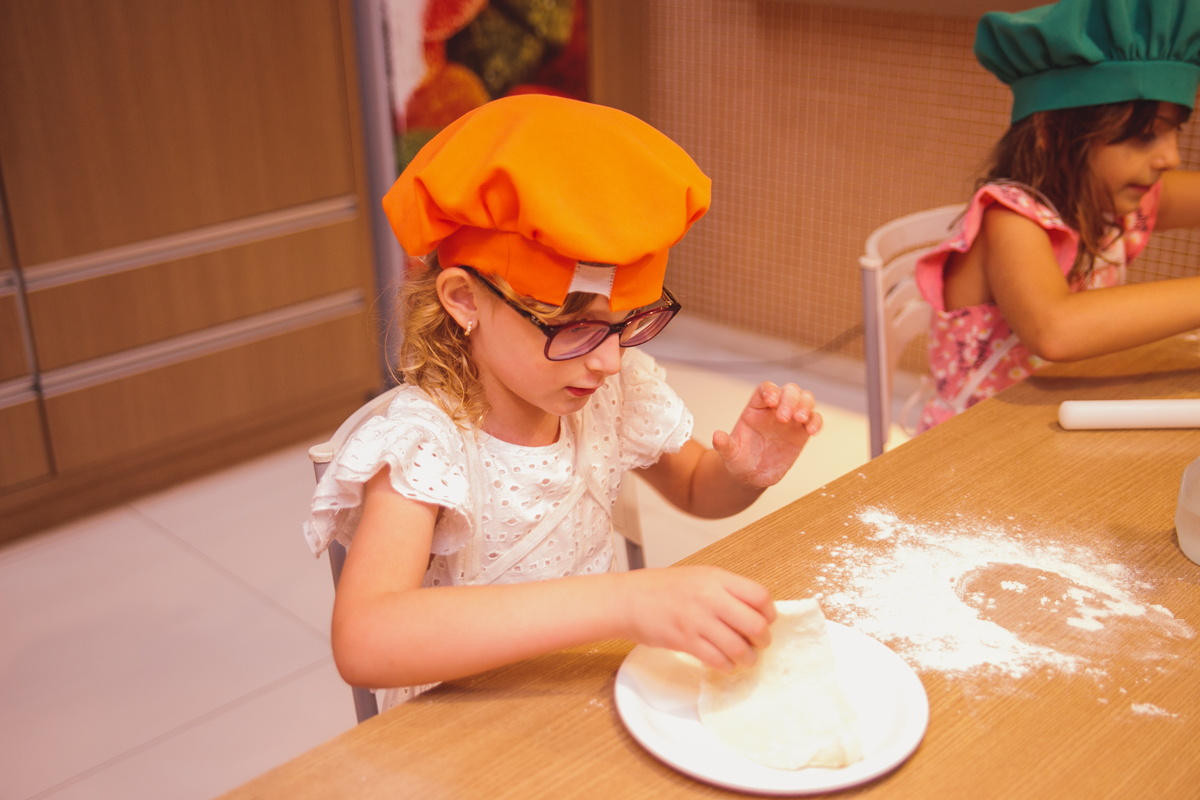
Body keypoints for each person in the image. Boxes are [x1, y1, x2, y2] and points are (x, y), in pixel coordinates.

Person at [303, 95, 824, 711]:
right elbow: (364, 640)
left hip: (589, 693)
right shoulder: (429, 442)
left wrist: (742, 473)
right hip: (464, 730)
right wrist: (625, 600)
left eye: (628, 323)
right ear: (465, 300)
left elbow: (692, 489)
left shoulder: (610, 395)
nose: (608, 361)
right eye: (571, 326)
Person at [915, 0, 1200, 432]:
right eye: (1145, 135)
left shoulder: (1110, 199)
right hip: (970, 442)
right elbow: (1055, 329)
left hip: (1051, 419)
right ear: (1053, 133)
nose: (1170, 158)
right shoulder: (1011, 218)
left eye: (1173, 131)